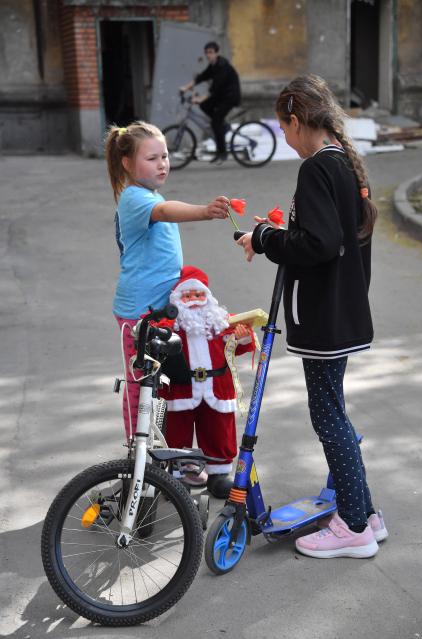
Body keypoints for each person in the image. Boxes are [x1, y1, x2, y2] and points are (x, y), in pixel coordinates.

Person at [237, 74, 388, 559]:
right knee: (335, 412)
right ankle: (364, 511)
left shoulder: (317, 169)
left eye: (283, 128)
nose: (284, 137)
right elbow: (331, 236)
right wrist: (282, 233)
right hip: (340, 313)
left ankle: (354, 527)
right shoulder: (342, 164)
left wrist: (265, 240)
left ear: (297, 121)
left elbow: (318, 245)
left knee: (328, 417)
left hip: (323, 317)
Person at [105, 121, 229, 439]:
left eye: (165, 155)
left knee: (162, 385)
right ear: (127, 163)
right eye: (152, 158)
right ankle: (137, 453)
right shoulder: (135, 198)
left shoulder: (149, 194)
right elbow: (163, 212)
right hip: (138, 312)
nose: (162, 163)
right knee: (140, 385)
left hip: (162, 310)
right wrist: (203, 211)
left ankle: (159, 455)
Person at [158, 265, 255, 499]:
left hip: (216, 387)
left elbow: (243, 342)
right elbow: (156, 332)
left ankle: (218, 475)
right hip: (182, 388)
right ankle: (177, 477)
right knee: (177, 432)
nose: (194, 300)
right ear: (177, 299)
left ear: (207, 296)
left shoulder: (220, 321)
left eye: (199, 295)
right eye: (188, 296)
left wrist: (243, 336)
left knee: (218, 430)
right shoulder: (173, 325)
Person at [180, 41, 241, 165]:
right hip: (221, 96)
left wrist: (200, 98)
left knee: (215, 122)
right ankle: (221, 125)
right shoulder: (212, 65)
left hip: (230, 97)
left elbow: (216, 88)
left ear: (217, 53)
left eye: (211, 52)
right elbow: (202, 77)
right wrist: (185, 88)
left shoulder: (222, 66)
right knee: (205, 106)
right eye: (207, 53)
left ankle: (222, 153)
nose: (208, 55)